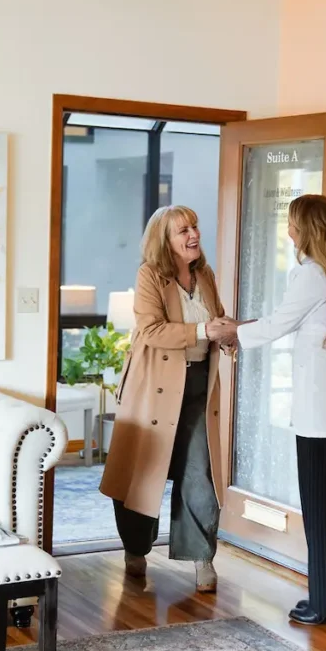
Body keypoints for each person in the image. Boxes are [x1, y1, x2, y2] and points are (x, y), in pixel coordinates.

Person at [215, 194, 326, 628]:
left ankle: (322, 603)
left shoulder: (309, 274)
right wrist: (244, 329)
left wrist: (233, 333)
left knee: (321, 507)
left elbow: (279, 323)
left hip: (321, 410)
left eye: (291, 224)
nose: (287, 231)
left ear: (306, 230)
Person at [100, 206, 232, 593]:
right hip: (154, 387)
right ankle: (136, 549)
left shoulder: (204, 274)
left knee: (199, 472)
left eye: (195, 227)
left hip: (198, 387)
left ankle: (202, 558)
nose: (193, 235)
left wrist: (229, 334)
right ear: (165, 240)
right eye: (183, 230)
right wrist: (205, 329)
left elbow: (216, 320)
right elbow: (153, 329)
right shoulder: (149, 275)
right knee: (143, 472)